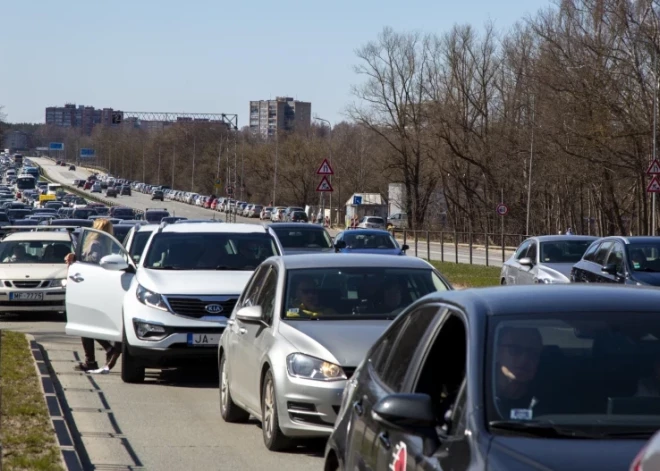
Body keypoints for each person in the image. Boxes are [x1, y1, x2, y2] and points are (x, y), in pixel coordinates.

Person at [65, 218, 121, 374]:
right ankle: (100, 354)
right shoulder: (107, 246)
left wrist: (76, 260)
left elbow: (92, 262)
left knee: (85, 324)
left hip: (89, 286)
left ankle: (99, 355)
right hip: (99, 287)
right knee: (88, 324)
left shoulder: (95, 244)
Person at [494, 326, 544, 420]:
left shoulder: (549, 401)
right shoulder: (478, 394)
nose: (524, 360)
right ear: (497, 352)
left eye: (533, 353)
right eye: (515, 350)